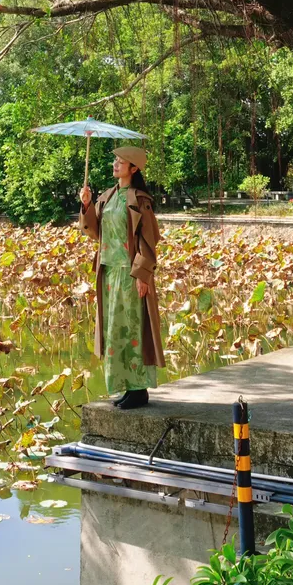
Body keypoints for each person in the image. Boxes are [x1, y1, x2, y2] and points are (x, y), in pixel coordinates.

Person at [79, 146, 165, 410]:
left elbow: (149, 241)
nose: (115, 165)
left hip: (129, 274)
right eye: (115, 160)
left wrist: (142, 275)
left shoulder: (140, 200)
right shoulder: (107, 196)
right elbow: (95, 231)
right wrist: (86, 205)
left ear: (134, 168)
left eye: (121, 162)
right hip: (108, 273)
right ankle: (127, 387)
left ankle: (139, 389)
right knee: (114, 331)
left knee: (133, 329)